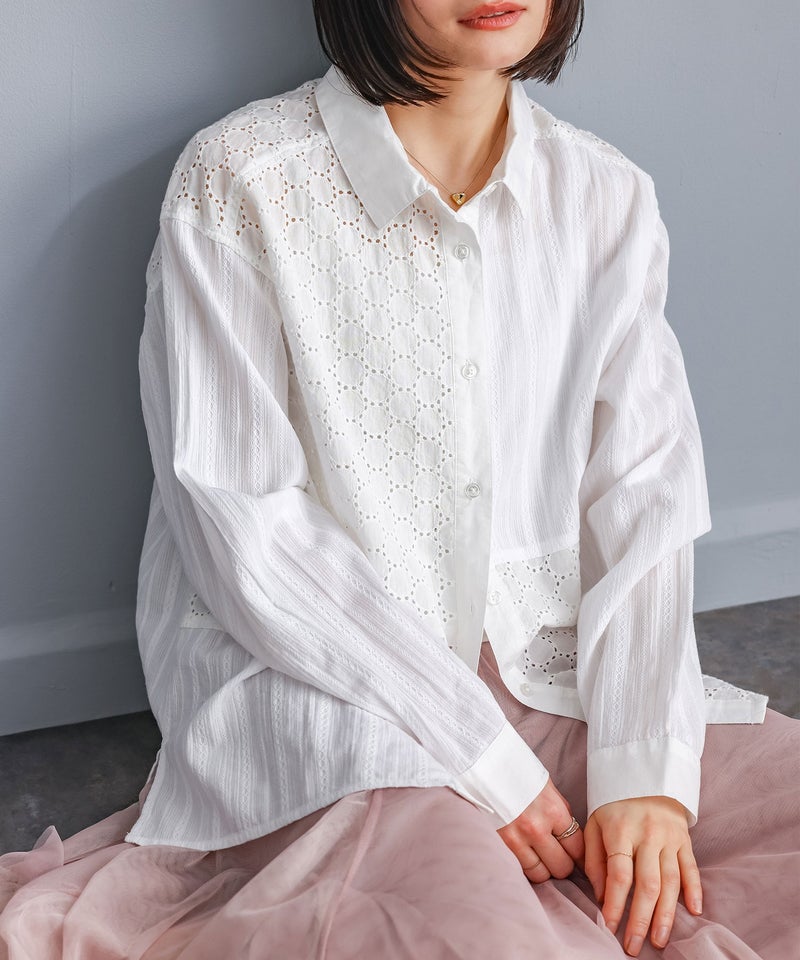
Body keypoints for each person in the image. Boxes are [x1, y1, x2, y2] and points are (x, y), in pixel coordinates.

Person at [1, 2, 797, 958]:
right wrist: (479, 753)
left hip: (546, 666)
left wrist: (645, 773)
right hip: (329, 685)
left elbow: (644, 496)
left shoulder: (606, 195)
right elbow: (243, 524)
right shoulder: (242, 179)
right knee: (467, 935)